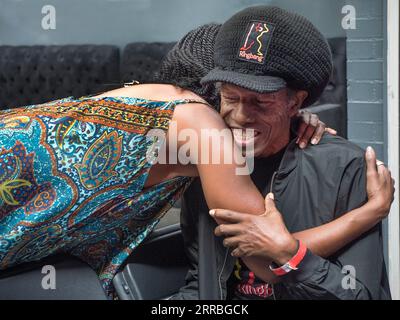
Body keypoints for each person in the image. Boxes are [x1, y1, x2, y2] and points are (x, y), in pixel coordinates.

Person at [0, 24, 331, 299]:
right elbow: (265, 259)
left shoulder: (158, 97)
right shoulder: (201, 123)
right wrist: (368, 213)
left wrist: (291, 117)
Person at [172, 6, 394, 300]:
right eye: (231, 97)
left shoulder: (345, 168)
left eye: (260, 102)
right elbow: (202, 283)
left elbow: (362, 295)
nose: (240, 115)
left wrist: (293, 256)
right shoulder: (208, 161)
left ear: (295, 103)